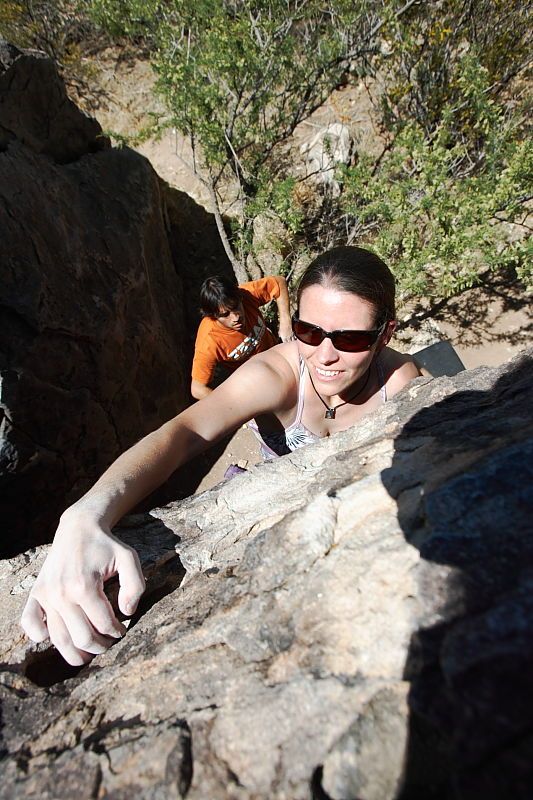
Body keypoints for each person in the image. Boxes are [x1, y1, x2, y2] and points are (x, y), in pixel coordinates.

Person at [21, 246, 420, 666]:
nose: (324, 354)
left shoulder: (400, 384)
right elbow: (183, 432)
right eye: (307, 331)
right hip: (267, 505)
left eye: (351, 338)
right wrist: (85, 515)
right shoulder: (277, 375)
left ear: (386, 334)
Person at [191, 274, 293, 399]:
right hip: (251, 382)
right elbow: (197, 389)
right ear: (213, 316)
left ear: (240, 298)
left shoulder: (246, 294)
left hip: (276, 353)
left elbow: (279, 282)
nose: (235, 318)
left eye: (236, 307)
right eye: (225, 314)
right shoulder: (209, 341)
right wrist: (233, 403)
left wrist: (285, 322)